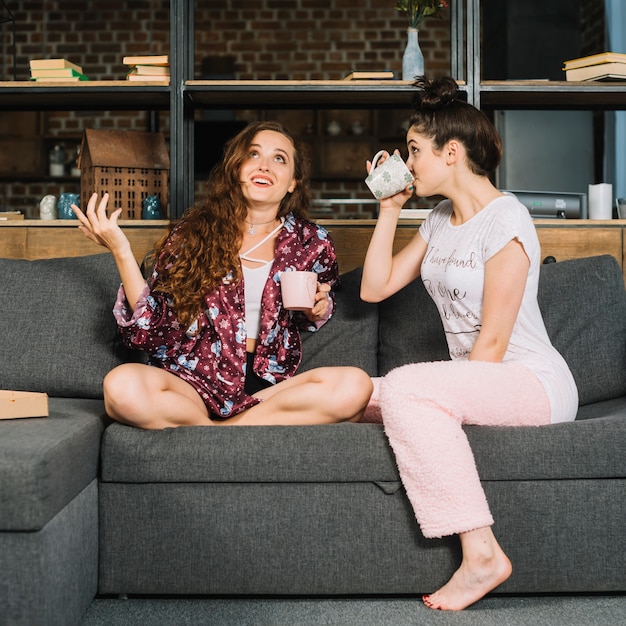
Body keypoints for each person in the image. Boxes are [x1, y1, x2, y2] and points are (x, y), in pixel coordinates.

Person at [360, 76, 578, 611]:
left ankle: (481, 554)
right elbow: (373, 288)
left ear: (451, 152)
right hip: (478, 381)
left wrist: (442, 403)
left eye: (415, 151)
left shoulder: (507, 218)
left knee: (407, 389)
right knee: (358, 394)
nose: (408, 164)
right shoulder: (438, 220)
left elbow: (494, 346)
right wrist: (389, 208)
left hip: (529, 381)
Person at [72, 120, 372, 429]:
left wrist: (319, 307)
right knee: (121, 387)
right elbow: (151, 330)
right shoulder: (193, 233)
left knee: (355, 386)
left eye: (279, 158)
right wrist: (121, 250)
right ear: (237, 168)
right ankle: (232, 427)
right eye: (253, 154)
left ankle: (215, 430)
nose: (265, 166)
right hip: (191, 381)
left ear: (293, 181)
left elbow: (319, 303)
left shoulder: (313, 242)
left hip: (267, 388)